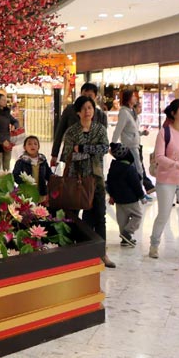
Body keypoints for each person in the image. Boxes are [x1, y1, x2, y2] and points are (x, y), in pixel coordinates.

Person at [61, 95, 113, 268]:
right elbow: (68, 155)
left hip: (96, 179)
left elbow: (105, 148)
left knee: (99, 217)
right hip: (75, 180)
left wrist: (83, 148)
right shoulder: (71, 132)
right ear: (78, 111)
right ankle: (74, 251)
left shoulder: (99, 129)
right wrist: (91, 151)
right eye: (83, 108)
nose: (87, 111)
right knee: (74, 217)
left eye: (90, 107)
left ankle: (101, 252)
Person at [148, 99, 179, 269]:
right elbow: (159, 157)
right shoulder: (165, 132)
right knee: (163, 214)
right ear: (173, 113)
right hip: (166, 180)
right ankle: (154, 244)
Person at [111, 89, 155, 198]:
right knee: (138, 170)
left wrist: (142, 133)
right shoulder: (124, 112)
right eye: (133, 96)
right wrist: (113, 143)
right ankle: (139, 193)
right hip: (130, 146)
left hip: (134, 145)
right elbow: (119, 129)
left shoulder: (131, 112)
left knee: (136, 169)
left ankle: (138, 192)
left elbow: (132, 130)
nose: (135, 98)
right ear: (129, 99)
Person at [51, 82, 108, 162]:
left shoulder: (101, 116)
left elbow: (103, 144)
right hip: (71, 160)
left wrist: (86, 150)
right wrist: (54, 154)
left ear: (95, 97)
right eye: (84, 95)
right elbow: (59, 132)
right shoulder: (70, 110)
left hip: (93, 162)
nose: (86, 99)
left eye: (90, 96)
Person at [105, 143, 144, 248]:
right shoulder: (129, 169)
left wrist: (111, 195)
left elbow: (109, 182)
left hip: (118, 200)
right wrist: (141, 196)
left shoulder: (113, 168)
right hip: (130, 199)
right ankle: (127, 233)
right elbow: (136, 184)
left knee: (122, 219)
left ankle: (124, 240)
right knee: (138, 216)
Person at [12, 135, 53, 201]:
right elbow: (15, 175)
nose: (32, 146)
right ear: (24, 147)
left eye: (35, 144)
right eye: (29, 144)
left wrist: (54, 178)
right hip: (26, 193)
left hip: (41, 193)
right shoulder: (21, 161)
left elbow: (48, 173)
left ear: (38, 147)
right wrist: (24, 180)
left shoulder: (42, 160)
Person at [0, 93, 19, 174]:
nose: (5, 101)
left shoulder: (7, 113)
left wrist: (14, 126)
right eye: (3, 100)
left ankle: (5, 184)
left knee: (6, 167)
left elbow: (16, 121)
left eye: (5, 99)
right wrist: (2, 140)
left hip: (8, 142)